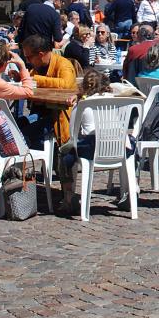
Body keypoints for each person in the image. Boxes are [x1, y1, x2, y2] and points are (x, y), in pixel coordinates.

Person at [56, 68, 117, 213]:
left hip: (92, 148)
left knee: (65, 152)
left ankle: (68, 196)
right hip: (117, 146)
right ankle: (130, 191)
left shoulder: (83, 104)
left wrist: (78, 97)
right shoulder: (117, 101)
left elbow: (73, 132)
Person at [21, 34, 76, 149]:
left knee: (22, 134)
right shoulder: (38, 65)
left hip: (58, 117)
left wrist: (37, 79)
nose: (27, 60)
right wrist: (19, 77)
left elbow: (65, 84)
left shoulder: (63, 64)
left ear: (40, 55)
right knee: (14, 127)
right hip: (41, 112)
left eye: (28, 57)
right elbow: (31, 78)